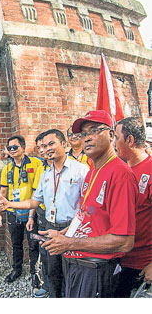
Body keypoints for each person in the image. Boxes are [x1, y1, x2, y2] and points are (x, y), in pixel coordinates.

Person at [40, 110, 137, 298]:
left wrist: (69, 242)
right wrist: (63, 233)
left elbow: (125, 241)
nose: (87, 138)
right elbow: (85, 216)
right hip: (78, 263)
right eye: (83, 134)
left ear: (110, 134)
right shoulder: (92, 171)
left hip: (97, 270)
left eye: (94, 131)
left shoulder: (120, 173)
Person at [0, 129, 88, 297]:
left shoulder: (81, 170)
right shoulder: (46, 173)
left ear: (63, 144)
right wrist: (10, 203)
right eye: (44, 146)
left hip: (72, 229)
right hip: (50, 226)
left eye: (51, 144)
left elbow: (87, 206)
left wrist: (72, 229)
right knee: (53, 271)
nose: (47, 149)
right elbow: (34, 201)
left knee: (73, 273)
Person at [0, 135, 43, 288]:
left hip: (31, 212)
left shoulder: (36, 163)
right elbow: (3, 191)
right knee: (16, 243)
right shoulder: (7, 168)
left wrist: (31, 214)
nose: (12, 150)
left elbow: (37, 191)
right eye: (9, 148)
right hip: (12, 211)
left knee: (33, 243)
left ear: (23, 147)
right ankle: (17, 269)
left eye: (15, 147)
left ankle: (35, 273)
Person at [113, 117, 152, 297]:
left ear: (129, 140)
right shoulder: (120, 170)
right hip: (119, 259)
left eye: (116, 138)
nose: (113, 144)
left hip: (143, 266)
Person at [31, 131, 50, 297]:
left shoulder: (76, 167)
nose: (43, 150)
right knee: (45, 251)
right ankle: (48, 285)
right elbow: (35, 197)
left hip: (67, 218)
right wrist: (31, 215)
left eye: (46, 146)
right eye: (39, 148)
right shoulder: (41, 169)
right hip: (43, 213)